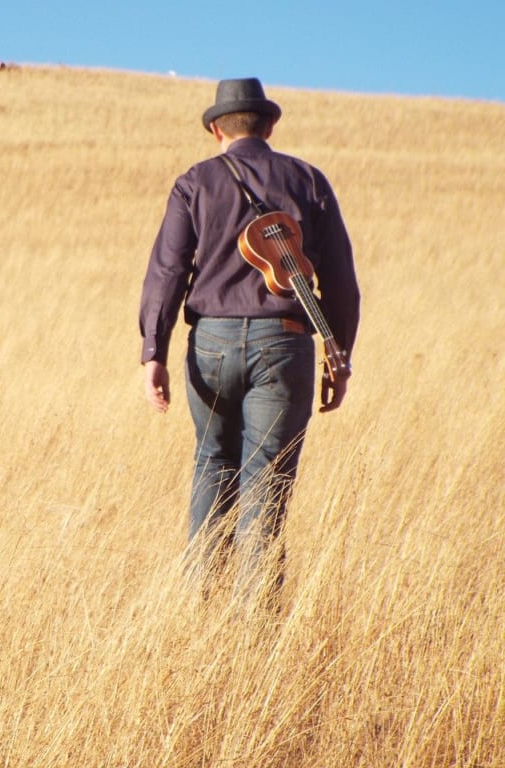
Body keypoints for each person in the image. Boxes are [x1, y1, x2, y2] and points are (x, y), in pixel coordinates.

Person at [138, 77, 361, 610]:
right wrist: (340, 354)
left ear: (217, 129)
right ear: (270, 125)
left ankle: (197, 607)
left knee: (212, 462)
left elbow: (168, 271)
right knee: (268, 479)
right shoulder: (308, 180)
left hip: (208, 342)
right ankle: (252, 630)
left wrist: (153, 351)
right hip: (284, 343)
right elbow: (341, 279)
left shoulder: (195, 182)